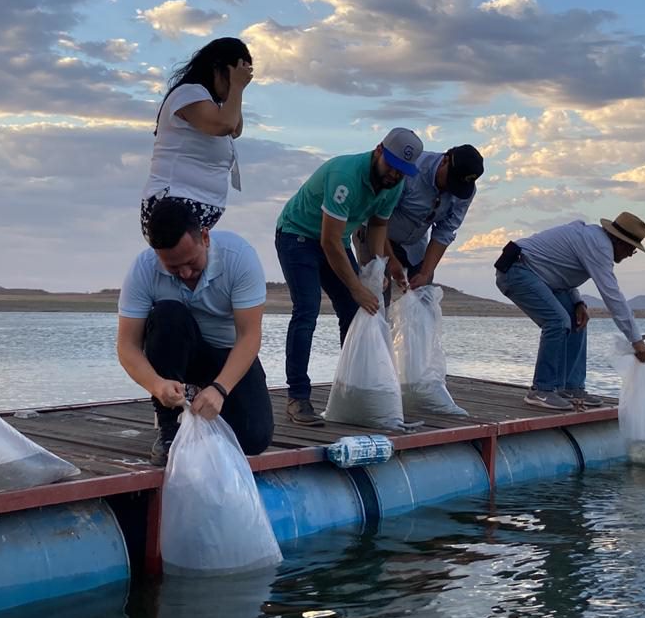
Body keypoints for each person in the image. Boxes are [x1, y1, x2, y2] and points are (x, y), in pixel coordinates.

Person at [275, 127, 423, 425]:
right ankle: (298, 398)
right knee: (307, 310)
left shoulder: (392, 186)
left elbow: (378, 227)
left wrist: (378, 266)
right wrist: (356, 287)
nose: (394, 176)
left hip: (336, 242)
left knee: (354, 312)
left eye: (402, 172)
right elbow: (329, 241)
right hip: (298, 236)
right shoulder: (346, 176)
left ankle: (353, 389)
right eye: (392, 167)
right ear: (379, 150)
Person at [116, 200, 272, 467]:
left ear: (205, 237)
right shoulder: (142, 270)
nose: (185, 273)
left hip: (226, 353)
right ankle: (170, 430)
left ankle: (208, 418)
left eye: (191, 262)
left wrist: (220, 389)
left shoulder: (239, 257)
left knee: (254, 438)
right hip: (178, 354)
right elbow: (127, 346)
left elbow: (249, 336)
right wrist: (157, 384)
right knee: (167, 314)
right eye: (173, 268)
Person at [494, 213, 645, 412]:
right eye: (631, 248)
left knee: (577, 318)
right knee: (558, 321)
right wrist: (636, 340)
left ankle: (570, 387)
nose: (630, 254)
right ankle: (542, 389)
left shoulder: (593, 239)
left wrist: (578, 302)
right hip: (516, 271)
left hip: (538, 275)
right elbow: (612, 295)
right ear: (619, 241)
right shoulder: (598, 246)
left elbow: (561, 271)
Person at [140, 37, 253, 241]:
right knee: (181, 269)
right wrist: (235, 86)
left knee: (188, 271)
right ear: (218, 68)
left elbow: (235, 129)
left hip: (193, 208)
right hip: (174, 204)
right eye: (234, 76)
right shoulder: (189, 93)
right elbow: (225, 125)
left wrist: (235, 88)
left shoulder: (210, 103)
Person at [353, 144, 484, 297]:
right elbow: (378, 220)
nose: (451, 189)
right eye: (450, 180)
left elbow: (444, 232)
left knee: (423, 296)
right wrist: (390, 260)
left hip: (414, 244)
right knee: (376, 293)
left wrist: (425, 273)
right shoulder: (411, 170)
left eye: (458, 186)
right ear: (444, 161)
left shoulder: (465, 192)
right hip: (373, 231)